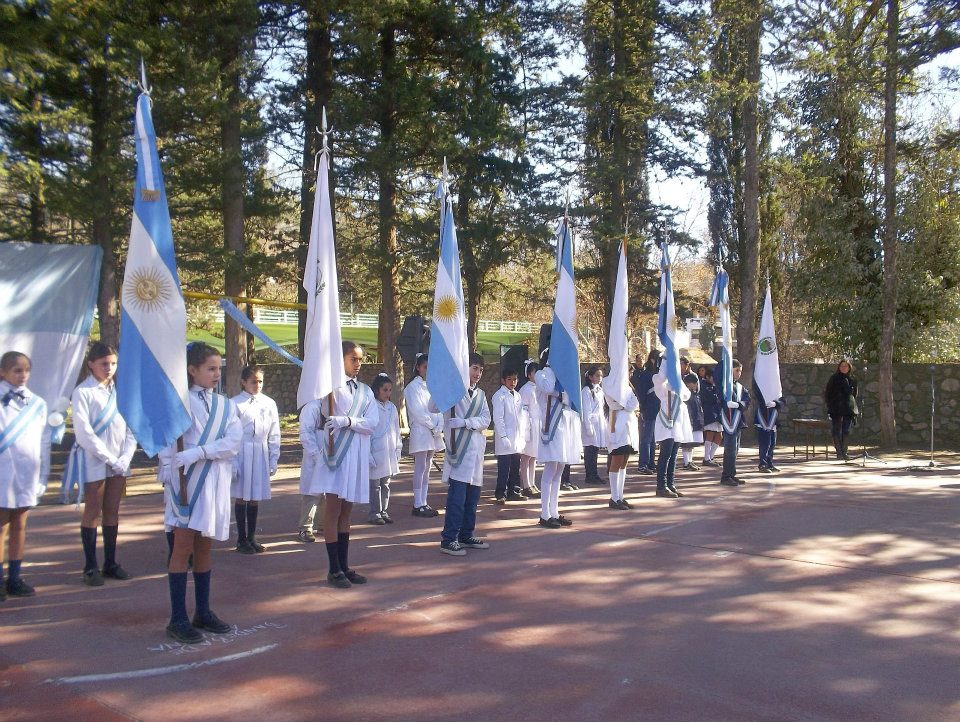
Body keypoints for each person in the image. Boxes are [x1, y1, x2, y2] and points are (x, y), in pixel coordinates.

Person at [158, 343, 242, 643]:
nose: (216, 374)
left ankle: (203, 611)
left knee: (205, 546)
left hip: (213, 482)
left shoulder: (226, 405)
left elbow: (233, 441)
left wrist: (201, 452)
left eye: (219, 368)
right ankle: (177, 618)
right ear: (192, 370)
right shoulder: (178, 403)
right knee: (182, 548)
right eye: (210, 368)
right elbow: (168, 445)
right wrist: (170, 468)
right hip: (187, 483)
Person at [307, 340, 377, 587]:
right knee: (333, 509)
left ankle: (344, 565)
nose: (358, 364)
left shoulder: (366, 392)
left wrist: (348, 421)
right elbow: (323, 409)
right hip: (336, 455)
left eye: (360, 359)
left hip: (355, 455)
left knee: (347, 511)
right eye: (352, 359)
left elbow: (372, 423)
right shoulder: (331, 388)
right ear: (341, 360)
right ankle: (333, 568)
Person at [66, 342, 137, 586]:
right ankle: (90, 565)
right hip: (94, 457)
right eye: (104, 364)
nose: (109, 368)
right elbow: (84, 433)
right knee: (93, 510)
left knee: (112, 510)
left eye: (113, 364)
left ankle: (110, 562)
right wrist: (110, 458)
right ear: (91, 365)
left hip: (119, 459)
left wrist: (126, 457)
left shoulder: (121, 391)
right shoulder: (83, 392)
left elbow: (130, 427)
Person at [0, 351, 48, 600]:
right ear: (3, 372)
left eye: (26, 370)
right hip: (2, 473)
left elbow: (44, 443)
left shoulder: (37, 403)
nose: (22, 375)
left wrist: (42, 477)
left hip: (27, 472)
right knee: (1, 527)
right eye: (17, 370)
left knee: (20, 525)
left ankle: (15, 577)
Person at [439, 353, 492, 556]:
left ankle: (466, 534)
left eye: (480, 369)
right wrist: (445, 385)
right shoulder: (454, 391)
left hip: (476, 452)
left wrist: (466, 423)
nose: (478, 373)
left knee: (472, 499)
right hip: (458, 452)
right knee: (457, 499)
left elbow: (486, 419)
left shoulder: (480, 395)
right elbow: (432, 407)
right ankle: (449, 538)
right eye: (474, 368)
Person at [230, 365, 280, 554]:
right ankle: (241, 539)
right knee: (242, 495)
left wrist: (273, 457)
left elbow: (274, 432)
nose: (257, 385)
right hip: (242, 450)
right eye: (253, 381)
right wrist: (233, 462)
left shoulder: (268, 403)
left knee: (255, 495)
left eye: (260, 381)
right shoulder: (235, 404)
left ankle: (251, 537)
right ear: (243, 382)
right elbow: (231, 434)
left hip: (260, 449)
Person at [534, 349, 582, 528]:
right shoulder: (542, 374)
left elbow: (570, 398)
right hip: (551, 427)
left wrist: (561, 394)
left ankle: (554, 511)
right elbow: (547, 388)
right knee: (550, 468)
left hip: (565, 427)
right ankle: (544, 514)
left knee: (559, 470)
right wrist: (551, 369)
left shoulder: (562, 378)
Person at [404, 353, 443, 518]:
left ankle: (424, 501)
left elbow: (439, 406)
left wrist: (439, 425)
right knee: (420, 467)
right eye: (425, 367)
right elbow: (418, 411)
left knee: (427, 468)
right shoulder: (412, 388)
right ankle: (417, 503)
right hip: (421, 431)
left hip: (433, 432)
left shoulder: (432, 385)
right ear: (418, 368)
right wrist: (432, 425)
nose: (428, 370)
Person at [652, 354, 693, 498]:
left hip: (678, 419)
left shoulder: (677, 381)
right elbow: (661, 380)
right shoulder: (658, 379)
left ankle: (670, 483)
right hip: (667, 418)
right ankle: (661, 486)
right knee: (666, 454)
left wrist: (677, 387)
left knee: (674, 454)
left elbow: (687, 394)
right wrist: (665, 360)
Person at [368, 373, 401, 525]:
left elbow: (396, 429)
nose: (388, 393)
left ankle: (384, 510)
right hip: (375, 450)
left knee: (385, 483)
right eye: (385, 390)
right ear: (377, 390)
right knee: (375, 484)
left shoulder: (392, 408)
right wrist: (368, 453)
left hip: (388, 451)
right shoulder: (370, 406)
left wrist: (398, 448)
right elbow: (368, 430)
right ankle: (374, 512)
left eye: (389, 390)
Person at [604, 383, 640, 510]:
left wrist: (624, 404)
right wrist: (626, 404)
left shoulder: (629, 387)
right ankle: (614, 498)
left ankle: (620, 496)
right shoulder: (609, 384)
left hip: (629, 427)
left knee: (624, 461)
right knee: (616, 460)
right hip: (617, 427)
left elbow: (634, 403)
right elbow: (614, 405)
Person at [492, 367, 524, 503]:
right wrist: (503, 436)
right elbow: (498, 418)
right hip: (505, 438)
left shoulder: (517, 395)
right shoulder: (499, 396)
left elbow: (521, 416)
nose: (512, 382)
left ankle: (513, 490)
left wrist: (523, 434)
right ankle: (500, 493)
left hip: (517, 437)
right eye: (509, 379)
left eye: (515, 379)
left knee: (515, 467)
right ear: (503, 380)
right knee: (504, 468)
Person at [297, 399, 324, 543]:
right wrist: (315, 455)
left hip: (330, 456)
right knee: (312, 493)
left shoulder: (337, 404)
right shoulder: (312, 407)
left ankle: (324, 524)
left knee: (329, 491)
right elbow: (306, 433)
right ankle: (306, 527)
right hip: (315, 457)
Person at [720, 359, 751, 486]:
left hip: (737, 422)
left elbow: (747, 401)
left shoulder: (740, 387)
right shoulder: (723, 385)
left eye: (740, 371)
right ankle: (726, 476)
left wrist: (738, 404)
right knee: (730, 449)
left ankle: (731, 474)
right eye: (736, 370)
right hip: (728, 421)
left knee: (735, 450)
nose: (739, 373)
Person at [631, 350, 661, 475]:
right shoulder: (646, 375)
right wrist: (642, 408)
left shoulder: (657, 373)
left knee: (653, 438)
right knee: (646, 438)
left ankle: (650, 463)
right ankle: (643, 464)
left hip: (658, 409)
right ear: (653, 360)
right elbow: (641, 393)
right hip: (649, 408)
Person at [824, 359, 858, 461]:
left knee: (846, 430)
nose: (844, 368)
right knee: (836, 429)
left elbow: (854, 394)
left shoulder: (852, 379)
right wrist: (830, 404)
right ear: (839, 367)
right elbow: (828, 393)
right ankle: (839, 452)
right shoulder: (834, 378)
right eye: (842, 366)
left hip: (848, 407)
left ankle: (845, 452)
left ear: (849, 367)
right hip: (836, 407)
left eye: (846, 366)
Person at [516, 360, 541, 498]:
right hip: (529, 426)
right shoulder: (526, 389)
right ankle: (525, 484)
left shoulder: (538, 389)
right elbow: (524, 410)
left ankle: (532, 483)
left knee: (534, 456)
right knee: (526, 456)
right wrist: (526, 428)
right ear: (529, 374)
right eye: (534, 372)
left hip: (537, 425)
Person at [580, 367, 608, 486]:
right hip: (591, 423)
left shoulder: (600, 390)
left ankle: (595, 474)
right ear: (590, 377)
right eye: (597, 375)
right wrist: (588, 426)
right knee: (590, 449)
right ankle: (589, 475)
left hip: (599, 423)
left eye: (601, 376)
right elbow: (586, 409)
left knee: (595, 449)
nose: (600, 378)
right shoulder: (586, 390)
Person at [754, 383, 786, 473]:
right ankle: (762, 464)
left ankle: (769, 463)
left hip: (773, 420)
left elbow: (783, 401)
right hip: (763, 419)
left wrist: (776, 403)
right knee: (764, 443)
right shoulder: (761, 386)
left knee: (772, 443)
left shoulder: (776, 388)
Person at [699, 366, 723, 467]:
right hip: (709, 412)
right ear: (708, 377)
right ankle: (706, 458)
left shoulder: (716, 386)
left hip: (718, 413)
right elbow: (708, 398)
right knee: (710, 434)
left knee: (719, 435)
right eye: (713, 377)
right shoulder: (703, 385)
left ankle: (711, 457)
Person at [681, 369, 703, 471]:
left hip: (696, 420)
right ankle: (686, 462)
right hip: (689, 421)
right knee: (687, 443)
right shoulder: (687, 395)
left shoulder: (695, 394)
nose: (696, 385)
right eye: (694, 383)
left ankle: (690, 461)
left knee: (692, 443)